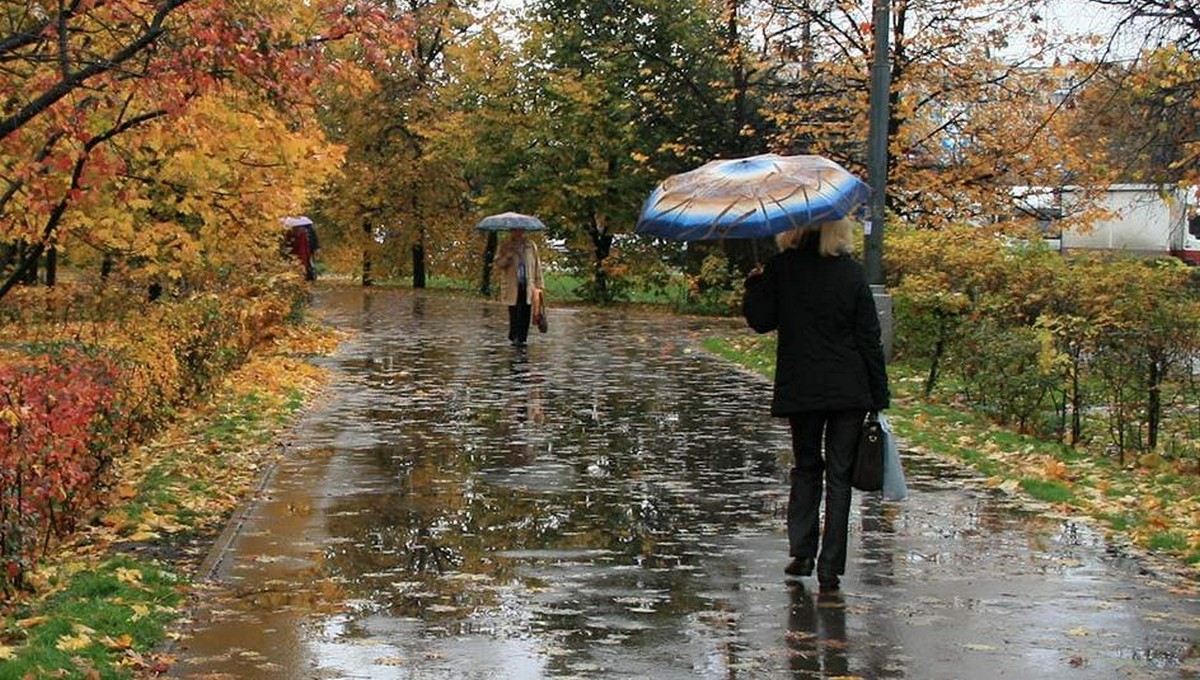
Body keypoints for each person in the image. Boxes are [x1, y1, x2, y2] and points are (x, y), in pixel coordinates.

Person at [742, 217, 890, 591]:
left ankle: (802, 552)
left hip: (803, 387)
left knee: (806, 466)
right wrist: (879, 395)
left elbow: (761, 321)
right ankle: (830, 566)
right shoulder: (852, 274)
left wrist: (755, 285)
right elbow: (869, 338)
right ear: (838, 230)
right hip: (850, 389)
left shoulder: (782, 269)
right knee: (840, 475)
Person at [495, 228, 544, 346]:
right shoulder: (505, 245)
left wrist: (540, 284)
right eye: (515, 231)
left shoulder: (531, 246)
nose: (518, 233)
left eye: (521, 230)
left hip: (528, 284)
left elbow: (537, 265)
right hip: (513, 284)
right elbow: (498, 263)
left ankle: (522, 338)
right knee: (514, 310)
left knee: (526, 310)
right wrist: (508, 257)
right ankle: (514, 335)